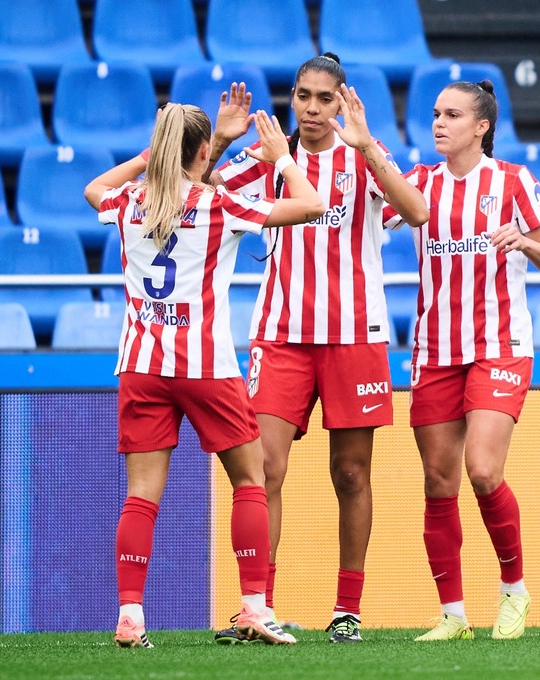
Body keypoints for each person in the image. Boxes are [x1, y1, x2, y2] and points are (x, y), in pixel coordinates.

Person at [206, 54, 429, 643]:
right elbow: (193, 197)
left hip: (356, 337)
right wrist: (223, 139)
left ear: (342, 101)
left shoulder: (364, 153)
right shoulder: (269, 156)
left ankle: (347, 609)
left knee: (352, 474)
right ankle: (258, 606)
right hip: (280, 336)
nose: (309, 107)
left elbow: (418, 212)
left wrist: (370, 148)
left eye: (323, 98)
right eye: (302, 95)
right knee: (263, 469)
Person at [84, 103, 325, 648]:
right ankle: (255, 609)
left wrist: (151, 157)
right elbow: (311, 204)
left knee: (141, 495)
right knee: (250, 480)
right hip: (205, 366)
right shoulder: (219, 204)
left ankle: (130, 616)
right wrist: (284, 158)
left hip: (141, 364)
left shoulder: (127, 202)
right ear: (201, 153)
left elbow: (94, 187)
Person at [382, 80, 540, 641]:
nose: (438, 123)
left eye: (452, 114)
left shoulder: (513, 181)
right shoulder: (419, 184)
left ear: (481, 126)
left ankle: (514, 591)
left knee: (483, 470)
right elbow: (365, 220)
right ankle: (453, 615)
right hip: (435, 352)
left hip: (500, 347)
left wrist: (524, 242)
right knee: (439, 482)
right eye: (435, 114)